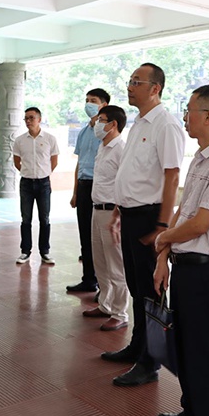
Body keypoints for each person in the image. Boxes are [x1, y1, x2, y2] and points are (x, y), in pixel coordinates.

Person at [153, 84, 209, 416]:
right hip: (184, 267)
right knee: (184, 347)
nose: (184, 116)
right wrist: (163, 257)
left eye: (189, 110)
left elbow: (201, 224)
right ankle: (192, 411)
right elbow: (182, 213)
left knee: (203, 354)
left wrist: (162, 239)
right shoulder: (201, 157)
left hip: (205, 272)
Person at [101, 63, 185, 386]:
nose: (130, 86)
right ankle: (138, 347)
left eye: (137, 82)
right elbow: (133, 173)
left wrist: (163, 226)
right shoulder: (138, 123)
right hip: (132, 215)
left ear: (155, 89)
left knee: (151, 292)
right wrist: (119, 211)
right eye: (130, 80)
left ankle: (149, 363)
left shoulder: (166, 124)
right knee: (137, 287)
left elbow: (171, 175)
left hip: (152, 217)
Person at [82, 105, 130, 331]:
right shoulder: (103, 147)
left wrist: (119, 215)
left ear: (113, 124)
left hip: (113, 212)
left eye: (101, 120)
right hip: (96, 208)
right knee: (99, 261)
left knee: (115, 264)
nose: (97, 124)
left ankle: (120, 313)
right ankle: (105, 304)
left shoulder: (122, 149)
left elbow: (126, 184)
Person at [67, 88, 110, 294]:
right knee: (85, 234)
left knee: (100, 238)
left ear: (104, 105)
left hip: (100, 186)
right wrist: (75, 192)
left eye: (93, 100)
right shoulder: (84, 131)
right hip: (84, 186)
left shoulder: (107, 132)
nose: (88, 104)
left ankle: (104, 285)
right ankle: (88, 279)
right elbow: (79, 163)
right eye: (86, 100)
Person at [13, 107, 59, 265]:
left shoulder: (49, 139)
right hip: (26, 183)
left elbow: (54, 160)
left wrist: (43, 173)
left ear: (39, 119)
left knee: (44, 218)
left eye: (31, 118)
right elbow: (17, 162)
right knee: (26, 218)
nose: (28, 121)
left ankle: (45, 251)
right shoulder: (19, 140)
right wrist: (29, 172)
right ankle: (25, 251)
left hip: (44, 183)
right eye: (26, 118)